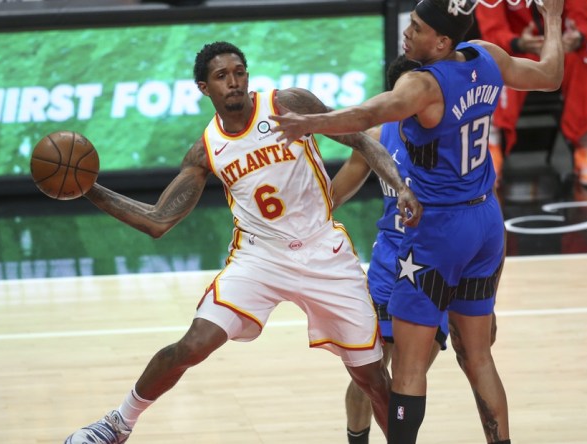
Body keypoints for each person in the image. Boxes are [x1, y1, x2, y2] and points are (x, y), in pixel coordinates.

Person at [62, 41, 423, 444]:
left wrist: (399, 187)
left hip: (324, 251)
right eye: (222, 76)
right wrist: (89, 189)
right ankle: (117, 424)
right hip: (259, 259)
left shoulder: (288, 104)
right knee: (192, 345)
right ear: (204, 88)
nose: (233, 82)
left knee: (371, 378)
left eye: (239, 72)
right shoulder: (207, 150)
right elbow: (158, 221)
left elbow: (362, 141)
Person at [270, 0, 565, 442]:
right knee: (478, 357)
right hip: (484, 220)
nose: (407, 33)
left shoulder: (422, 85)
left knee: (407, 369)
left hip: (435, 230)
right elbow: (550, 76)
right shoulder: (488, 57)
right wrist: (554, 19)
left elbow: (370, 112)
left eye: (418, 28)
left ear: (443, 41)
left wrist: (309, 122)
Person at [332, 54, 450, 444]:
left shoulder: (452, 135)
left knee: (408, 379)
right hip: (387, 266)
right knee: (369, 374)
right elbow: (338, 189)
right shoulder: (381, 134)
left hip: (436, 266)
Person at [475, 0, 587, 188]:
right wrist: (517, 42)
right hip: (517, 50)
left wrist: (577, 36)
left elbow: (582, 18)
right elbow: (491, 31)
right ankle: (489, 147)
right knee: (491, 63)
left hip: (561, 50)